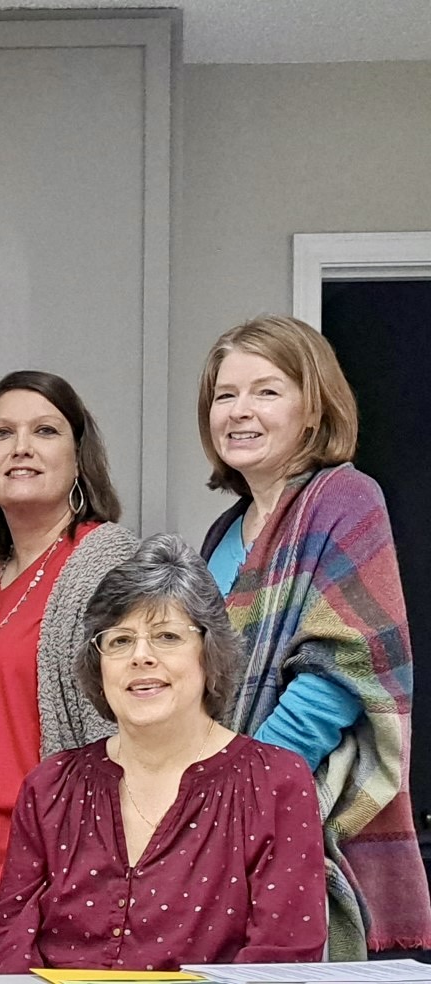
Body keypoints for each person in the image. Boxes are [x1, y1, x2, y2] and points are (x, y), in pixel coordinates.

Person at [0, 534, 325, 971]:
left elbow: (280, 959)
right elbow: (7, 945)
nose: (141, 656)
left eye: (166, 636)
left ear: (209, 653)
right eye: (120, 641)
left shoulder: (276, 782)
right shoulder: (49, 788)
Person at [195, 315, 430, 957]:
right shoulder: (222, 531)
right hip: (215, 815)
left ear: (312, 408)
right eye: (224, 394)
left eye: (266, 391)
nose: (239, 411)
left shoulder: (346, 499)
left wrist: (241, 785)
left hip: (293, 808)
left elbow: (339, 672)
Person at [0, 370, 137, 953]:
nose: (21, 447)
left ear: (78, 459)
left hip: (65, 871)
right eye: (1, 433)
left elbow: (136, 735)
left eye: (45, 431)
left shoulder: (110, 567)